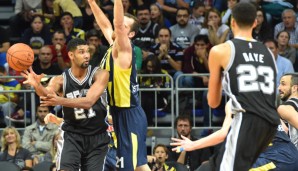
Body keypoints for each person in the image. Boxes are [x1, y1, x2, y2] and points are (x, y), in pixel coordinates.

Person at [206, 2, 279, 170]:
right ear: (255, 22)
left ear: (232, 21)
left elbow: (213, 102)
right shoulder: (267, 52)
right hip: (271, 123)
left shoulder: (221, 50)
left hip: (247, 119)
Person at [21, 38, 110, 170]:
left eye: (88, 51)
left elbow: (88, 102)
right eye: (81, 52)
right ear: (71, 55)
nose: (87, 55)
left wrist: (60, 100)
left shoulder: (100, 74)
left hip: (98, 136)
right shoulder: (60, 80)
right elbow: (46, 95)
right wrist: (37, 85)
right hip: (72, 135)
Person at [89, 0, 151, 170]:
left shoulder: (124, 50)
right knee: (139, 165)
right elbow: (105, 24)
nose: (118, 28)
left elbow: (115, 22)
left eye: (123, 27)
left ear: (130, 34)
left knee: (129, 166)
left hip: (129, 115)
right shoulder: (113, 46)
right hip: (118, 112)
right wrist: (92, 3)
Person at [171, 100, 298, 171]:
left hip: (276, 158)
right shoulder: (266, 100)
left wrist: (193, 144)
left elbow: (223, 134)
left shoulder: (234, 103)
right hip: (289, 153)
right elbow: (285, 128)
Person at [277, 73, 298, 149]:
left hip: (292, 156)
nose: (279, 88)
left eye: (283, 84)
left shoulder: (284, 108)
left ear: (295, 88)